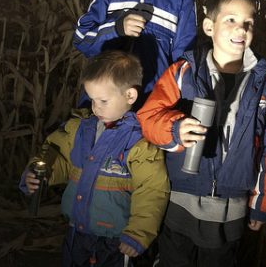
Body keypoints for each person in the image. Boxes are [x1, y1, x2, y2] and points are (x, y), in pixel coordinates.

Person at [137, 0, 266, 267]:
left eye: (248, 23)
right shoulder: (184, 72)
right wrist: (174, 129)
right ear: (209, 26)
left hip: (231, 208)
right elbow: (149, 116)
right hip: (180, 199)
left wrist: (262, 204)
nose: (241, 29)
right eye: (231, 20)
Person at [20, 51, 169, 267]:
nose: (95, 107)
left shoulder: (139, 143)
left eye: (103, 100)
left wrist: (138, 234)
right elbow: (58, 157)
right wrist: (39, 174)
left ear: (130, 96)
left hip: (114, 242)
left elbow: (152, 190)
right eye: (91, 100)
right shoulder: (79, 129)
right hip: (77, 232)